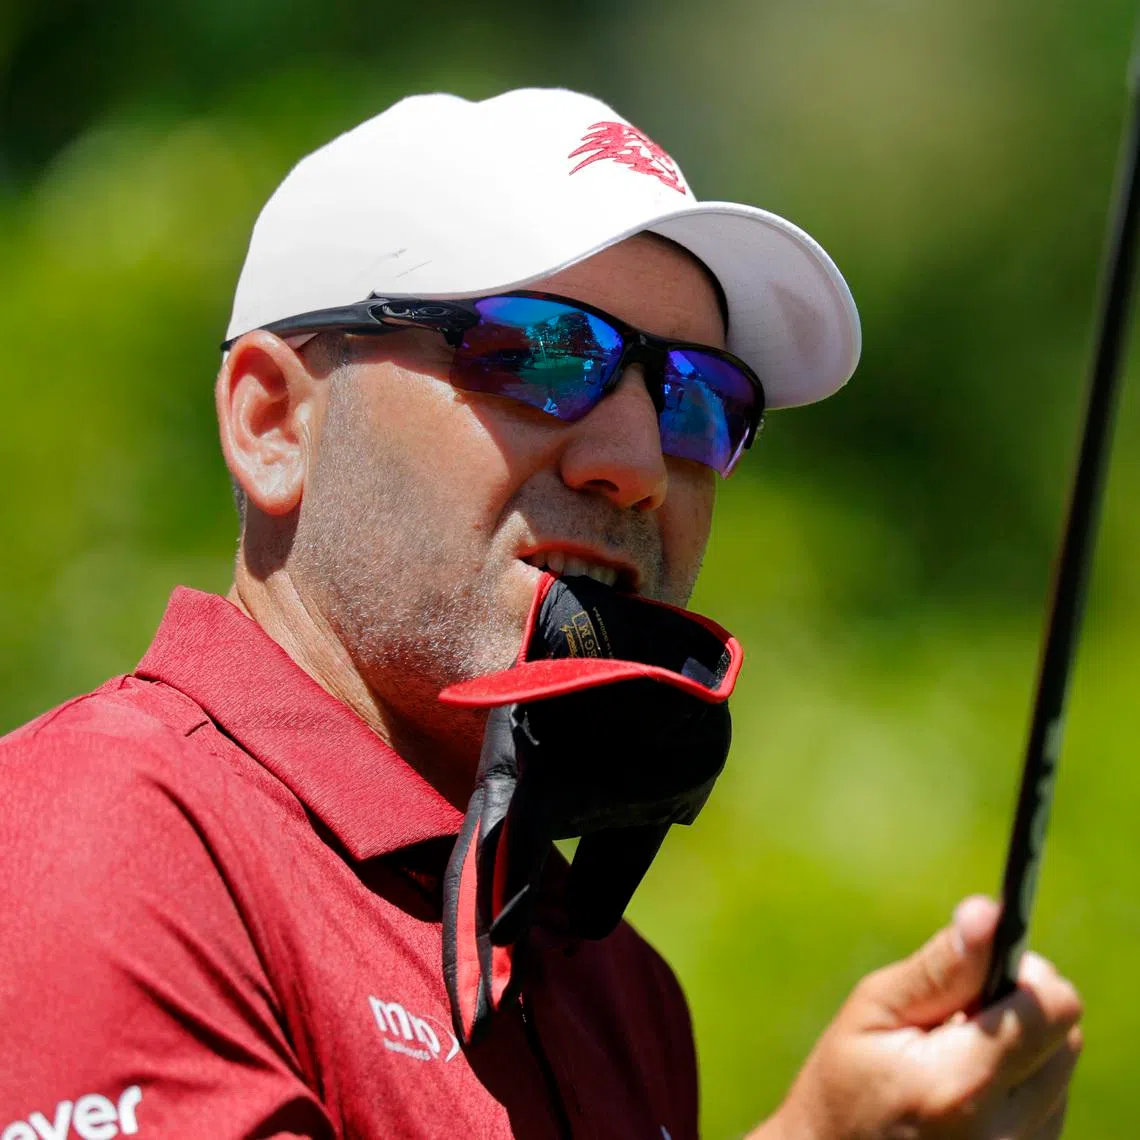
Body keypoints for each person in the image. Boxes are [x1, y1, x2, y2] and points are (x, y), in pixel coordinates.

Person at [0, 88, 1081, 1140]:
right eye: (536, 353)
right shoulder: (98, 834)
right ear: (274, 422)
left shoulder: (617, 985)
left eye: (697, 399)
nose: (636, 464)